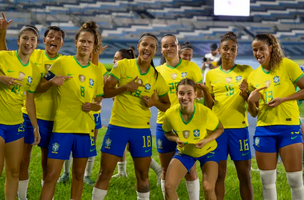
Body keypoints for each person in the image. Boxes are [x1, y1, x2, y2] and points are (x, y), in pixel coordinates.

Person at [92, 33, 170, 200]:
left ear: (156, 51)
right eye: (145, 45)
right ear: (138, 47)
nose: (147, 48)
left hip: (141, 130)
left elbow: (167, 104)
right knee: (104, 173)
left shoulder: (157, 77)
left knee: (142, 175)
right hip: (117, 127)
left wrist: (155, 103)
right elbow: (105, 92)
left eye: (152, 46)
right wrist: (125, 87)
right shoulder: (123, 65)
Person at [39, 21, 104, 200]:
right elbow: (40, 87)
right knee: (52, 175)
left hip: (84, 129)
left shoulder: (96, 72)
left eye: (89, 42)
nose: (85, 45)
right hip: (63, 128)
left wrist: (94, 106)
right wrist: (52, 82)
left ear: (93, 46)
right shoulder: (62, 62)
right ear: (76, 42)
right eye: (82, 41)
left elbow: (99, 102)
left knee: (78, 175)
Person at [247, 33, 304, 199]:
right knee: (267, 180)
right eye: (254, 50)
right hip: (264, 130)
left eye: (261, 49)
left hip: (289, 129)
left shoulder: (287, 65)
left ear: (271, 48)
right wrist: (251, 101)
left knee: (294, 179)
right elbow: (253, 112)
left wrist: (284, 99)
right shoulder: (253, 76)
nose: (258, 53)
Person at [201, 32, 254, 200]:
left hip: (239, 130)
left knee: (244, 175)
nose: (229, 52)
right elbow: (208, 106)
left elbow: (253, 107)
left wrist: (246, 94)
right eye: (225, 48)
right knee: (219, 175)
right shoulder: (211, 75)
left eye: (233, 49)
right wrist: (204, 92)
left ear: (237, 51)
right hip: (218, 131)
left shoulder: (246, 71)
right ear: (219, 50)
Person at [156, 34, 203, 200]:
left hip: (188, 125)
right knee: (165, 169)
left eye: (172, 45)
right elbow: (157, 99)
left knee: (190, 170)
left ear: (178, 46)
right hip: (164, 123)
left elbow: (200, 94)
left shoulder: (192, 67)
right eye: (165, 46)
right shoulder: (158, 71)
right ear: (161, 49)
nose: (168, 49)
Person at [163, 78, 224, 200]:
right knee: (169, 187)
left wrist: (206, 140)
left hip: (208, 151)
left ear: (196, 94)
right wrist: (175, 139)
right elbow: (167, 132)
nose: (185, 97)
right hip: (185, 152)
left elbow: (220, 129)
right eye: (181, 93)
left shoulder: (205, 113)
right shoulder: (170, 114)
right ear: (176, 94)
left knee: (208, 188)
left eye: (189, 93)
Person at [0, 25, 40, 200]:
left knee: (14, 171)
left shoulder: (35, 70)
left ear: (36, 44)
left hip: (16, 124)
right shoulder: (4, 56)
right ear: (18, 41)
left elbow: (29, 101)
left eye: (32, 39)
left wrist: (36, 126)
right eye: (25, 38)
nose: (28, 42)